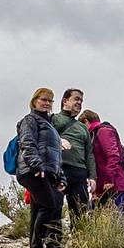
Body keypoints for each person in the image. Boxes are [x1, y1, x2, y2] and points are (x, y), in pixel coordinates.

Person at [14, 89, 66, 248]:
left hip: (46, 172)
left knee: (38, 209)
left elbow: (55, 155)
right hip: (33, 171)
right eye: (44, 99)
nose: (47, 103)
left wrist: (60, 177)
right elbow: (27, 143)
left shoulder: (50, 125)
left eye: (50, 101)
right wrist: (37, 166)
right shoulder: (30, 120)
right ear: (34, 101)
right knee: (48, 205)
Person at [52, 89, 95, 228]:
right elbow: (44, 139)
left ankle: (80, 247)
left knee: (80, 212)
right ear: (65, 101)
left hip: (79, 172)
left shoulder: (82, 128)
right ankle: (54, 246)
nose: (79, 103)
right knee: (54, 208)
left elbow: (89, 153)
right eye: (76, 99)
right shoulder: (53, 119)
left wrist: (93, 177)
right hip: (58, 169)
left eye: (81, 101)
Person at [83, 110, 124, 210]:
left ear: (86, 121)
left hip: (115, 184)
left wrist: (108, 179)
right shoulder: (95, 134)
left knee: (116, 221)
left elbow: (113, 155)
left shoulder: (104, 131)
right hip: (105, 188)